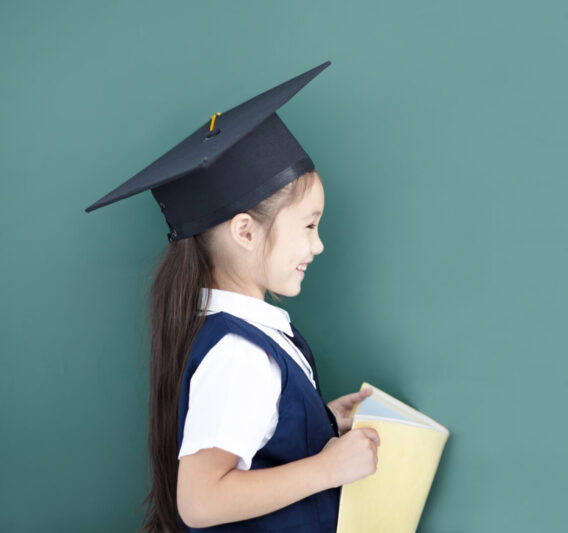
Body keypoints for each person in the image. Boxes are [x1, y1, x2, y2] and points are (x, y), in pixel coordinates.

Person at [85, 61, 380, 532]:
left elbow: (252, 444)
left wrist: (318, 423)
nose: (318, 244)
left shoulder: (241, 335)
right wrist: (329, 467)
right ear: (245, 230)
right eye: (308, 225)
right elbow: (201, 501)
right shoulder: (240, 352)